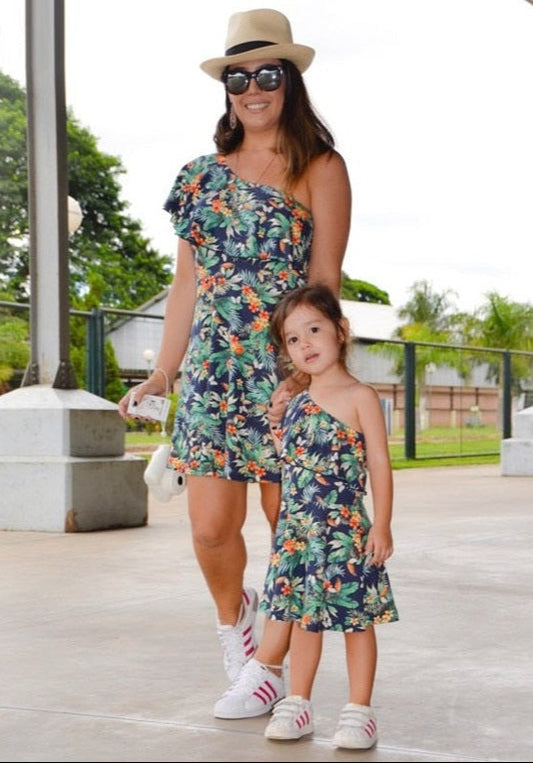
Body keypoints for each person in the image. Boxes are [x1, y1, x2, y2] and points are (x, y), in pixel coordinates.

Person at [118, 9, 351, 693]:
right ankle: (235, 628)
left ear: (289, 82)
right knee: (211, 529)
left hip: (284, 374)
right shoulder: (198, 178)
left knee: (289, 527)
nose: (252, 88)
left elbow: (325, 284)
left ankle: (268, 668)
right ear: (227, 87)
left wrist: (309, 379)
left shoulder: (320, 166)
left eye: (266, 74)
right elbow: (186, 284)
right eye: (238, 76)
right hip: (213, 377)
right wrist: (164, 369)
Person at [216, 284, 399, 750]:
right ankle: (297, 702)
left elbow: (379, 462)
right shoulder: (294, 402)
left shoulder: (361, 396)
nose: (305, 345)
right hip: (298, 535)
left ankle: (359, 712)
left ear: (341, 331)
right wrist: (279, 423)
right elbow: (291, 464)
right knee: (302, 620)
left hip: (342, 531)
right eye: (293, 339)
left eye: (314, 330)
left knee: (356, 621)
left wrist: (381, 523)